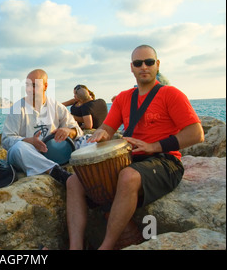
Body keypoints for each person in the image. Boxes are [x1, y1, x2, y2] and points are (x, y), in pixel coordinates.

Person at [66, 45, 204, 250]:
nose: (144, 67)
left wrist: (154, 146)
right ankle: (74, 247)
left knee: (128, 176)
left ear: (157, 65)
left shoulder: (171, 94)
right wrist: (100, 135)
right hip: (132, 159)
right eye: (138, 63)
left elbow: (196, 134)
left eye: (149, 62)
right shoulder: (123, 98)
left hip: (166, 161)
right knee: (74, 180)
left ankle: (107, 246)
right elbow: (106, 129)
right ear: (132, 67)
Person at [2, 69, 83, 185]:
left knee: (87, 141)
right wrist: (27, 140)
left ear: (45, 86)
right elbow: (5, 140)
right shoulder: (18, 108)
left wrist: (68, 131)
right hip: (26, 155)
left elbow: (78, 131)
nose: (29, 89)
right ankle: (57, 173)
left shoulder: (56, 106)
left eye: (34, 85)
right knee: (19, 147)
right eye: (27, 85)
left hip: (52, 153)